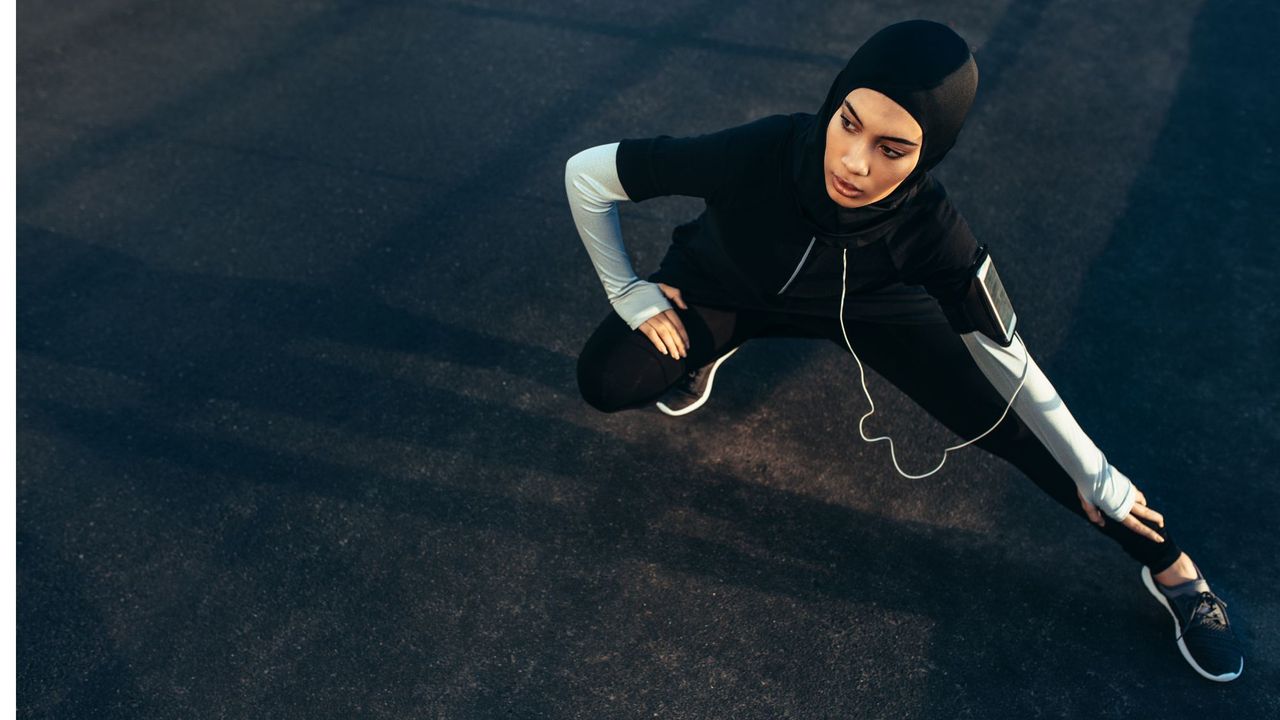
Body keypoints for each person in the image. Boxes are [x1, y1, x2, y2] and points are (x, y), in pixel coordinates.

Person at [563, 19, 1243, 681]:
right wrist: (629, 292)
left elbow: (1011, 357)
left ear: (930, 152)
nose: (854, 163)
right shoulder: (762, 150)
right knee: (607, 377)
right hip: (726, 285)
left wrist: (1096, 476)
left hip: (868, 308)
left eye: (893, 149)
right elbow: (587, 173)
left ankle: (1177, 575)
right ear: (834, 103)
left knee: (1019, 430)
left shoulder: (934, 230)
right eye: (849, 123)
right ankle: (707, 346)